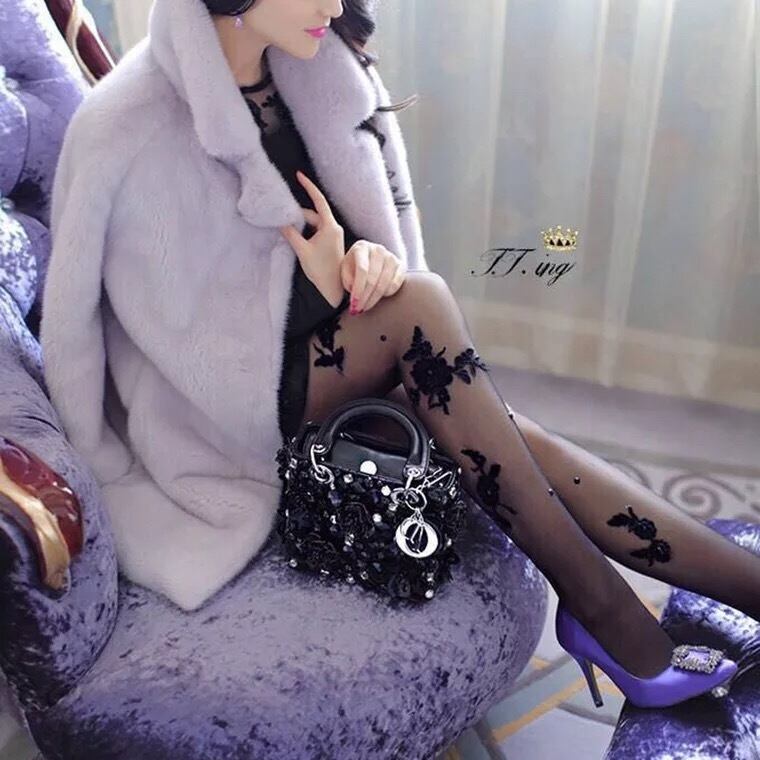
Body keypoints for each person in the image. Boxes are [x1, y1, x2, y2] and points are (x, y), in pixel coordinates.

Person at [40, 0, 756, 710]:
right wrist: (328, 286)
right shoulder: (126, 128)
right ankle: (605, 613)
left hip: (346, 362)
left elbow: (364, 247)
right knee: (422, 307)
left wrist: (363, 262)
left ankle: (720, 594)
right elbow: (158, 338)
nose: (335, 6)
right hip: (231, 419)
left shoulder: (320, 70)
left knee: (518, 440)